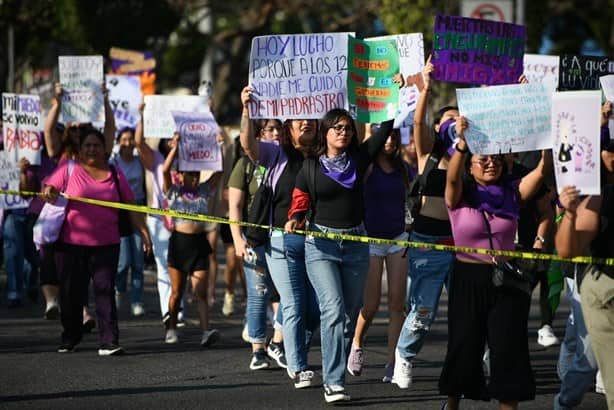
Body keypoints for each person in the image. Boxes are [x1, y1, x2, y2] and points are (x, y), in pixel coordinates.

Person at [440, 116, 550, 409]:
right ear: (470, 165)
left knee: (508, 349)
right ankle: (453, 402)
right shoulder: (459, 196)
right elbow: (451, 178)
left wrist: (546, 142)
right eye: (484, 159)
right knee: (464, 346)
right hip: (467, 278)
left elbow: (542, 171)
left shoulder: (513, 193)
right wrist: (462, 144)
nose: (491, 164)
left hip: (506, 280)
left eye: (497, 159)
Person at [286, 108, 394, 403]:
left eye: (347, 128)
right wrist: (295, 217)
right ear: (325, 132)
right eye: (337, 128)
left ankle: (336, 375)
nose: (343, 132)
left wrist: (393, 95)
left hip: (357, 244)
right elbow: (300, 199)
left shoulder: (359, 159)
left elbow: (385, 128)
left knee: (347, 317)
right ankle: (333, 382)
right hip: (321, 246)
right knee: (332, 309)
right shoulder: (309, 166)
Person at [41, 127, 151, 355]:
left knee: (104, 291)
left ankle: (109, 341)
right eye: (88, 145)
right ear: (80, 150)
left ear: (105, 149)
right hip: (69, 246)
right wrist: (49, 190)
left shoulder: (115, 172)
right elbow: (48, 188)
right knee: (71, 294)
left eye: (97, 145)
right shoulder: (68, 168)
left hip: (106, 245)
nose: (92, 149)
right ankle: (70, 337)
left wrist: (144, 232)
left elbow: (131, 206)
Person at [240, 85, 320, 390]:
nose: (306, 122)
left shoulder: (325, 154)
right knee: (295, 303)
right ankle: (298, 366)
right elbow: (250, 146)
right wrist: (247, 110)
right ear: (288, 126)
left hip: (317, 242)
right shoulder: (276, 153)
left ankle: (290, 345)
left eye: (311, 118)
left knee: (315, 311)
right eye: (299, 118)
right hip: (280, 241)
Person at [393, 57, 457, 389]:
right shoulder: (428, 154)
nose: (455, 122)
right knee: (423, 310)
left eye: (459, 118)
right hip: (427, 241)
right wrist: (426, 90)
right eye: (449, 119)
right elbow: (418, 125)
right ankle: (404, 356)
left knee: (471, 308)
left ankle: (481, 355)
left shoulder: (473, 156)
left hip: (462, 243)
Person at [553, 102, 614, 410]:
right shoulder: (599, 194)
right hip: (605, 289)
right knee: (589, 358)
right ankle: (565, 402)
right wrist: (569, 213)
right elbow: (568, 249)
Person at [40, 82, 116, 330]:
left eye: (81, 126)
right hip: (60, 222)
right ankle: (69, 314)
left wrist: (104, 100)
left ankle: (81, 314)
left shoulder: (96, 150)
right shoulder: (61, 152)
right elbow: (49, 129)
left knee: (91, 280)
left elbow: (110, 131)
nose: (76, 128)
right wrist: (58, 102)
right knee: (64, 275)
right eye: (72, 125)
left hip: (92, 228)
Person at [348, 128, 410, 382]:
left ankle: (392, 363)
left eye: (394, 136)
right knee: (370, 306)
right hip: (371, 239)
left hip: (398, 238)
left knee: (397, 304)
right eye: (385, 136)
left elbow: (409, 199)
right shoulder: (367, 166)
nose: (390, 140)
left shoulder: (403, 168)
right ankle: (357, 343)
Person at [228, 118, 287, 370]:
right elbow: (235, 206)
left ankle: (277, 343)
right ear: (260, 133)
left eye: (278, 130)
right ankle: (258, 351)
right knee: (258, 294)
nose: (275, 134)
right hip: (254, 239)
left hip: (282, 238)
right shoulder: (245, 164)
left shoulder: (285, 161)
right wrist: (237, 239)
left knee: (289, 293)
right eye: (269, 130)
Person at [162, 133, 219, 347]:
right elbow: (165, 171)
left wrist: (217, 147)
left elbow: (219, 172)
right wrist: (175, 149)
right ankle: (171, 328)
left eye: (196, 174)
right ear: (182, 174)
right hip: (179, 244)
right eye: (190, 174)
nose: (194, 178)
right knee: (177, 292)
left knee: (200, 292)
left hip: (199, 244)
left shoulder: (203, 190)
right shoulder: (174, 192)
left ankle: (206, 331)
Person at [133, 104, 186, 328]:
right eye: (169, 138)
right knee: (164, 264)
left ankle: (178, 305)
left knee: (181, 264)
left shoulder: (189, 158)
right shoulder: (155, 159)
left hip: (184, 218)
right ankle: (168, 309)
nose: (173, 141)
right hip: (159, 220)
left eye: (177, 137)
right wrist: (142, 116)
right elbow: (138, 142)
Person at [110, 127, 146, 317]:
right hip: (120, 211)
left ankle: (137, 300)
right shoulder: (113, 162)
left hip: (138, 209)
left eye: (130, 139)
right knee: (123, 262)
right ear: (118, 142)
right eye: (123, 139)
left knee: (138, 261)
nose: (127, 142)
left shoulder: (140, 162)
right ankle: (119, 289)